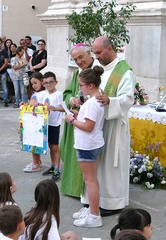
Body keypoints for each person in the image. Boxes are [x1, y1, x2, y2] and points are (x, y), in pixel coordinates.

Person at [92, 36, 135, 214]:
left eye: (99, 52)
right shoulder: (100, 69)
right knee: (101, 165)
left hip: (115, 127)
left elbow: (128, 99)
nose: (97, 57)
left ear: (109, 49)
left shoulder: (124, 71)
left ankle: (113, 203)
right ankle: (99, 199)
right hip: (101, 125)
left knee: (112, 166)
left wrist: (110, 100)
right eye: (94, 53)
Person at [65, 66, 105, 228]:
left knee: (90, 181)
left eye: (81, 85)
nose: (79, 88)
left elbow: (88, 126)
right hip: (92, 143)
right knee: (90, 179)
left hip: (88, 145)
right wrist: (77, 115)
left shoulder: (91, 103)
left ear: (90, 85)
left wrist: (72, 120)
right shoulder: (96, 100)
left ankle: (95, 216)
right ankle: (91, 210)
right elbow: (89, 120)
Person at [60, 43, 99, 198]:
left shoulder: (96, 71)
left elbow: (99, 94)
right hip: (75, 116)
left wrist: (84, 101)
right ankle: (72, 187)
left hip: (87, 119)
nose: (78, 61)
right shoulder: (77, 73)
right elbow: (67, 92)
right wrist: (71, 100)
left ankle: (83, 191)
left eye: (80, 57)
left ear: (89, 53)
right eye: (75, 59)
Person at [41, 71, 64, 182]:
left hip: (55, 123)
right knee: (50, 146)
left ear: (56, 82)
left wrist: (55, 108)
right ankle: (53, 165)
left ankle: (57, 170)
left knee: (55, 147)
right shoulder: (45, 95)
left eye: (50, 82)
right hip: (46, 123)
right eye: (45, 83)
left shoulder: (58, 94)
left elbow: (64, 108)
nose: (48, 84)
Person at [23, 72, 46, 173]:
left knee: (35, 143)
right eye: (32, 84)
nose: (34, 85)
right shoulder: (35, 94)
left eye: (35, 83)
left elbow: (45, 106)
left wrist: (37, 105)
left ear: (42, 81)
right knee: (33, 142)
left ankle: (36, 163)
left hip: (39, 122)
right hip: (32, 122)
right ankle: (36, 161)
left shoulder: (44, 93)